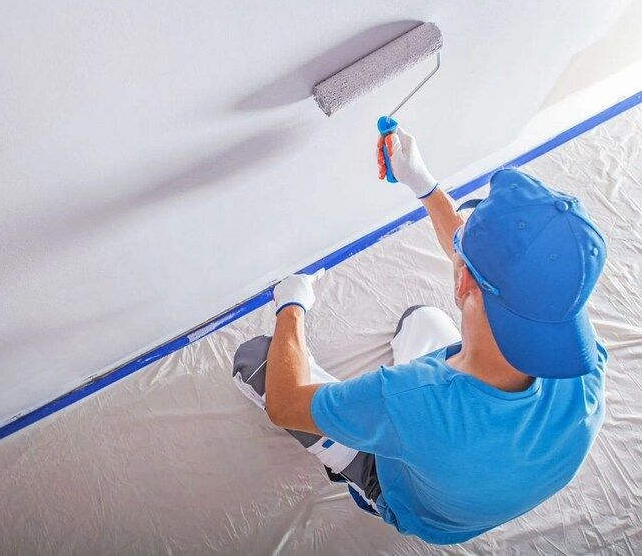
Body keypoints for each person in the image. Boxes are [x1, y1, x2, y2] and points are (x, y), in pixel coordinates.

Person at [232, 127, 608, 544]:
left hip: (417, 506)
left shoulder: (410, 398)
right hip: (479, 486)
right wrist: (424, 185)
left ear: (462, 281)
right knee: (420, 321)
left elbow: (284, 406)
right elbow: (484, 269)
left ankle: (357, 473)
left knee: (257, 359)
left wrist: (292, 305)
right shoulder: (574, 345)